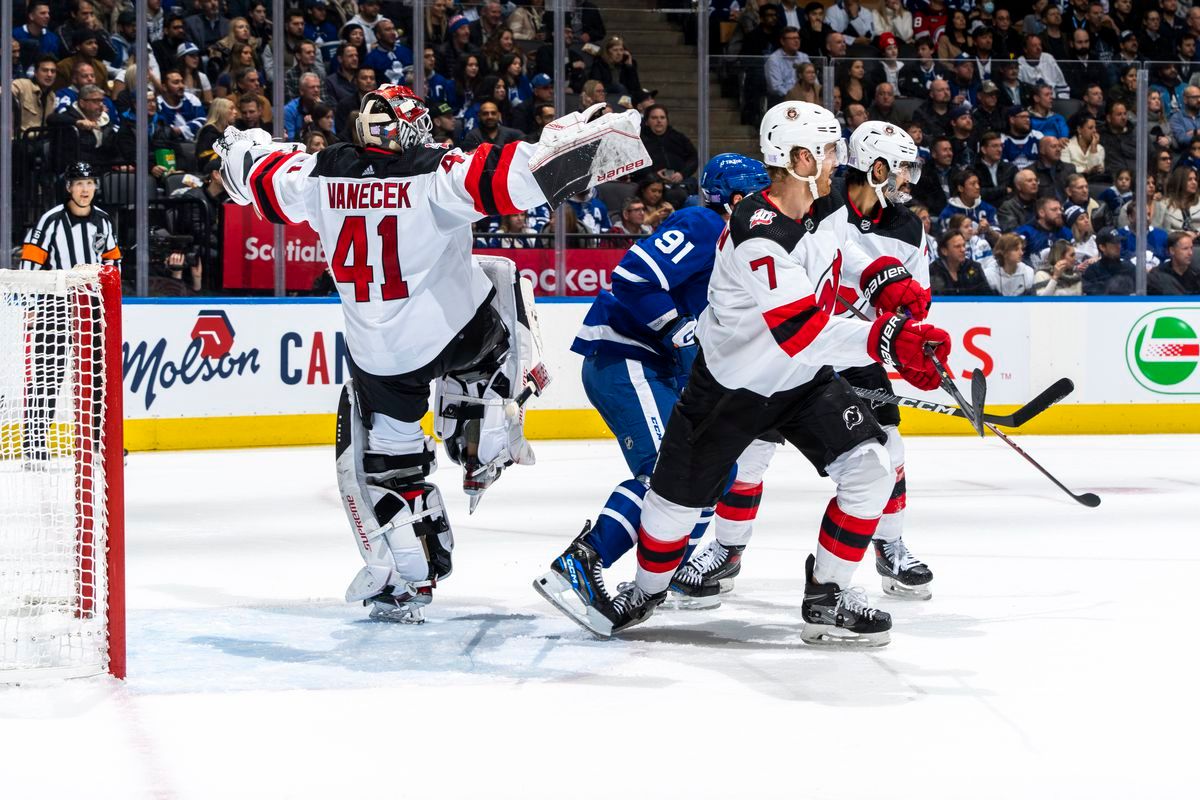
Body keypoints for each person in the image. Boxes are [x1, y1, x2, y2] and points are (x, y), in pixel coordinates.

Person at [216, 86, 650, 623]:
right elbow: (522, 176)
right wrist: (588, 140)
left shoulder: (317, 175)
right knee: (501, 275)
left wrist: (237, 147)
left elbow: (255, 175)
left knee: (389, 466)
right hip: (456, 334)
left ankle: (409, 578)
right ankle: (485, 431)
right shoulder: (436, 173)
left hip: (380, 356)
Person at [546, 102, 951, 644]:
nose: (839, 160)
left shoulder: (825, 200)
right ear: (803, 158)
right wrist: (888, 340)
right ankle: (643, 591)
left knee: (872, 468)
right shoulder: (756, 233)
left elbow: (841, 251)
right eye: (830, 151)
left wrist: (882, 276)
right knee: (673, 508)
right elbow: (802, 331)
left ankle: (827, 597)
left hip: (801, 383)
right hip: (731, 391)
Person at [534, 155, 776, 625]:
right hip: (627, 358)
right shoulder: (704, 223)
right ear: (737, 197)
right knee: (668, 475)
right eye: (761, 195)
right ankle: (581, 562)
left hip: (657, 367)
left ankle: (667, 567)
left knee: (711, 474)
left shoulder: (745, 244)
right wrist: (677, 330)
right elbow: (632, 276)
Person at [18, 162, 121, 464]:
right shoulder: (50, 221)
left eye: (89, 183)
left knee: (98, 376)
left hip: (91, 310)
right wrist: (32, 307)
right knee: (47, 376)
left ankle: (98, 441)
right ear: (68, 188)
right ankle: (35, 443)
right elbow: (30, 266)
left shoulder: (103, 222)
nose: (85, 189)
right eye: (78, 183)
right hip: (53, 308)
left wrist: (108, 304)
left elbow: (112, 264)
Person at [639, 105, 699, 210]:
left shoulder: (678, 137)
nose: (659, 121)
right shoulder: (640, 140)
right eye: (654, 118)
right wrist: (653, 175)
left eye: (662, 118)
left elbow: (693, 158)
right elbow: (636, 163)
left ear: (667, 120)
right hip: (651, 182)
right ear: (647, 121)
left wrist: (682, 174)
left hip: (679, 181)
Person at [930, 229, 995, 295]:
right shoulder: (933, 271)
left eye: (964, 245)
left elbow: (987, 296)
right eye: (957, 246)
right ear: (944, 251)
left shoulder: (974, 267)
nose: (963, 249)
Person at [1083, 228, 1135, 294]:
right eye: (1114, 243)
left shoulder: (1129, 268)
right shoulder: (1092, 272)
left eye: (1119, 242)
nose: (1119, 246)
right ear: (1102, 247)